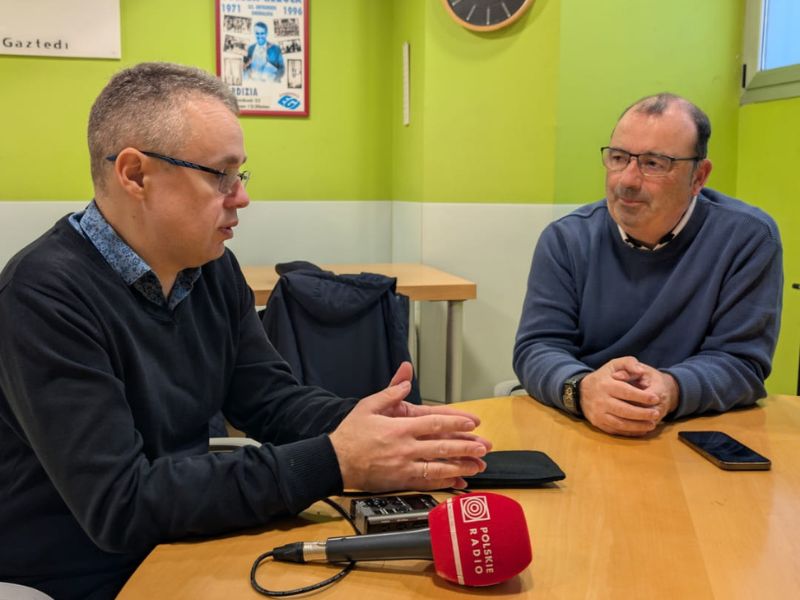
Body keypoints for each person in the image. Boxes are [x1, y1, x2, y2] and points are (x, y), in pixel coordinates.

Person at [0, 62, 490, 599]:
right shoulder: (41, 295)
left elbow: (268, 399)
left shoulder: (210, 268)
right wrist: (336, 458)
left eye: (241, 175)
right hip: (79, 573)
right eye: (220, 175)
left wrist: (371, 426)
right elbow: (121, 505)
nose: (241, 197)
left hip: (183, 541)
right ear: (135, 174)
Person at [513, 93, 782, 438]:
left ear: (699, 176)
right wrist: (581, 390)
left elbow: (743, 363)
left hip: (690, 432)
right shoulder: (566, 239)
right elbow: (537, 347)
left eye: (654, 163)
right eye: (619, 157)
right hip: (585, 427)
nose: (626, 180)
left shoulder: (747, 238)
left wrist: (670, 389)